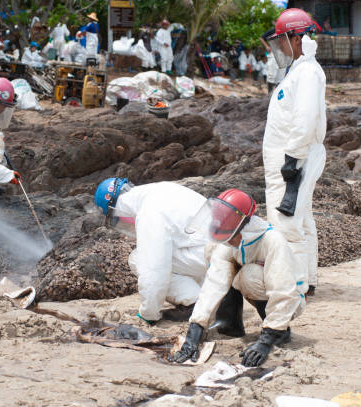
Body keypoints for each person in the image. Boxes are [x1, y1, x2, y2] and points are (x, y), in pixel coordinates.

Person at [171, 189, 306, 367]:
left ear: (243, 227)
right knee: (214, 252)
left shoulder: (272, 241)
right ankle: (230, 323)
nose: (228, 242)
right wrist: (194, 332)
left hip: (291, 299)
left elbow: (284, 292)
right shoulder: (229, 243)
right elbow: (213, 284)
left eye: (230, 237)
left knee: (249, 275)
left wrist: (266, 341)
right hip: (259, 284)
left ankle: (279, 332)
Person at [263, 8, 326, 295]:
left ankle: (295, 286)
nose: (280, 47)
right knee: (302, 219)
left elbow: (304, 118)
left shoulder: (308, 72)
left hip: (294, 159)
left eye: (282, 40)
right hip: (295, 156)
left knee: (286, 224)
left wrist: (291, 159)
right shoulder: (300, 70)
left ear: (296, 38)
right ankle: (307, 279)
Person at [93, 178, 210, 324]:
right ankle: (204, 299)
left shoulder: (149, 212)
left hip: (208, 255)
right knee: (167, 252)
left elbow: (154, 271)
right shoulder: (161, 189)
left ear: (114, 209)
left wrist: (148, 315)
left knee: (139, 259)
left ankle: (195, 302)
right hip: (220, 248)